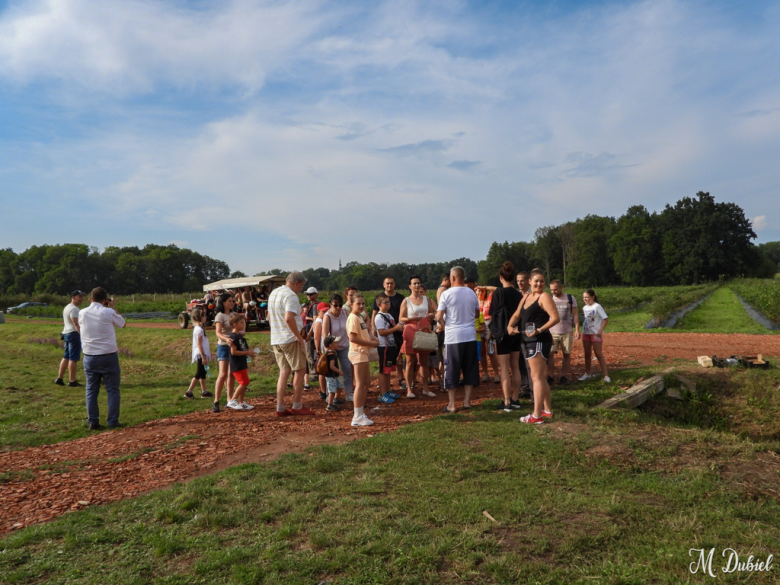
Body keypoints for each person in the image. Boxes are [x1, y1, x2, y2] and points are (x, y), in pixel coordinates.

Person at [507, 269, 560, 424]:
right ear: (530, 281)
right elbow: (517, 314)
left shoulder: (544, 297)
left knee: (536, 377)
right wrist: (510, 326)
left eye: (542, 281)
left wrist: (539, 329)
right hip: (527, 340)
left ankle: (536, 415)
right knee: (539, 377)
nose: (539, 284)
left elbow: (555, 318)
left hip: (539, 340)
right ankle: (547, 410)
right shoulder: (527, 297)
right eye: (536, 281)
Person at [268, 271, 315, 416]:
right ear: (296, 283)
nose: (301, 289)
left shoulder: (274, 293)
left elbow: (269, 316)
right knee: (300, 370)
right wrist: (298, 337)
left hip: (277, 338)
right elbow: (289, 318)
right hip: (289, 339)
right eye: (301, 286)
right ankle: (297, 404)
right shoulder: (291, 296)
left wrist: (276, 330)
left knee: (284, 372)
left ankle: (280, 407)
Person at [79, 287, 126, 430]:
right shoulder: (108, 312)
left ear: (90, 299)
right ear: (105, 300)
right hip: (108, 356)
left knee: (91, 390)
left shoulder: (82, 313)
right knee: (112, 389)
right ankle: (113, 421)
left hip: (89, 356)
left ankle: (93, 421)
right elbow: (122, 324)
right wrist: (112, 306)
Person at [436, 266, 481, 413]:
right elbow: (476, 314)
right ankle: (467, 401)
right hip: (470, 336)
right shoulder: (472, 293)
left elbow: (438, 316)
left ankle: (452, 404)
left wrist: (444, 325)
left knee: (452, 369)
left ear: (453, 278)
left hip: (453, 337)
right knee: (470, 368)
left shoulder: (446, 294)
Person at [488, 262, 524, 412]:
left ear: (500, 277)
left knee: (504, 369)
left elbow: (492, 313)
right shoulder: (518, 294)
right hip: (515, 333)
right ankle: (515, 398)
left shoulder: (498, 293)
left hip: (502, 334)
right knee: (515, 366)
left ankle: (507, 400)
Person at [399, 276, 437, 398]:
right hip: (411, 331)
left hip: (425, 330)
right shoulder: (406, 301)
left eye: (418, 283)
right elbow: (401, 318)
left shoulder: (427, 299)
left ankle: (425, 388)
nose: (417, 285)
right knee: (410, 362)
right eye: (414, 283)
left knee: (424, 362)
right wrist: (411, 318)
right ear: (409, 286)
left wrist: (431, 315)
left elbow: (433, 313)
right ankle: (409, 389)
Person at [347, 294, 379, 426]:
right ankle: (357, 416)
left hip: (363, 352)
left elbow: (363, 334)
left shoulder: (359, 317)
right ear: (351, 305)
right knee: (361, 384)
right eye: (358, 303)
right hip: (358, 352)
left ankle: (360, 412)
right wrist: (370, 344)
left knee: (366, 382)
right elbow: (352, 338)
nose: (361, 306)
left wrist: (371, 339)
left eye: (363, 304)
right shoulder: (353, 318)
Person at [371, 277, 406, 388]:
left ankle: (398, 380)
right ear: (384, 285)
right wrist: (373, 328)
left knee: (393, 362)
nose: (389, 285)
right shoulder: (379, 305)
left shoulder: (400, 298)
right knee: (384, 366)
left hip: (394, 336)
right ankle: (383, 389)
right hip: (385, 339)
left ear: (394, 284)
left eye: (391, 283)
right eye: (387, 283)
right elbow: (375, 316)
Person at [547, 279, 580, 385]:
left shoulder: (570, 298)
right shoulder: (549, 299)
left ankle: (563, 375)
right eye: (551, 290)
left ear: (561, 288)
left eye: (555, 289)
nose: (553, 292)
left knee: (566, 353)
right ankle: (550, 375)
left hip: (566, 331)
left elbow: (575, 314)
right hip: (552, 331)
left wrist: (577, 329)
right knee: (550, 354)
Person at [322, 294, 353, 402]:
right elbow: (325, 335)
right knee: (331, 373)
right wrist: (328, 351)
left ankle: (349, 392)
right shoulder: (327, 317)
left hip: (344, 345)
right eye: (335, 305)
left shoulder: (345, 312)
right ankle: (329, 395)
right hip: (332, 347)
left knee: (347, 369)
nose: (338, 308)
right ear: (330, 305)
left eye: (340, 305)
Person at [375, 292, 404, 404]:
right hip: (384, 347)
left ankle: (387, 390)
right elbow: (381, 332)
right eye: (385, 302)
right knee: (383, 371)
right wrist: (396, 328)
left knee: (389, 370)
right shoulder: (379, 317)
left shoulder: (389, 315)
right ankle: (382, 393)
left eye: (389, 302)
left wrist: (399, 327)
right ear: (379, 304)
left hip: (391, 346)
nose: (388, 304)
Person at [55, 289, 86, 387]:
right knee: (73, 358)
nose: (81, 299)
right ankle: (72, 381)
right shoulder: (75, 309)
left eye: (82, 297)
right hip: (73, 334)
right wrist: (82, 335)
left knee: (66, 356)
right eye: (79, 297)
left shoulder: (67, 307)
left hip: (66, 333)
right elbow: (76, 323)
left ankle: (60, 378)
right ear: (73, 297)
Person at [226, 313, 256, 410]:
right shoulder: (233, 337)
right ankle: (232, 400)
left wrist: (250, 352)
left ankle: (241, 402)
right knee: (244, 382)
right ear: (235, 324)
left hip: (242, 362)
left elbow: (244, 348)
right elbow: (233, 352)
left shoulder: (240, 336)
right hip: (237, 364)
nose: (244, 325)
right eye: (241, 323)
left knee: (244, 382)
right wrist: (247, 352)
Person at [580, 289, 611, 383]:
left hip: (595, 334)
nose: (585, 299)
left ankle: (606, 375)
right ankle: (587, 373)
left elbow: (605, 319)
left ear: (593, 297)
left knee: (598, 353)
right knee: (587, 354)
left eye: (587, 297)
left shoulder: (597, 306)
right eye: (584, 297)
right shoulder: (585, 308)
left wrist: (600, 331)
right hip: (586, 333)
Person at [212, 293, 236, 413]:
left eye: (233, 301)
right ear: (223, 302)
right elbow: (218, 332)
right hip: (223, 346)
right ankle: (216, 401)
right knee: (222, 374)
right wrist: (226, 339)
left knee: (231, 374)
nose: (232, 302)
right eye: (230, 301)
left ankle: (229, 400)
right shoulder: (219, 316)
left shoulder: (233, 315)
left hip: (233, 346)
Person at [185, 308, 214, 400]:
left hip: (202, 353)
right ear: (200, 317)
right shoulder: (199, 330)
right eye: (204, 316)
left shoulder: (199, 328)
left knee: (203, 373)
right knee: (199, 373)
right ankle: (189, 392)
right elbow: (199, 344)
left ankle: (204, 391)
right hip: (201, 354)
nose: (206, 317)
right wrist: (203, 356)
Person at [515, 271, 533, 399]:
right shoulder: (517, 296)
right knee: (521, 361)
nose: (520, 283)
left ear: (528, 281)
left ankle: (533, 390)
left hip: (531, 333)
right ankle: (525, 387)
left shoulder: (533, 295)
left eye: (522, 280)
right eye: (518, 281)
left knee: (531, 363)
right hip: (519, 332)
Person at [310, 301, 329, 399]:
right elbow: (317, 337)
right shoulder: (319, 321)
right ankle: (323, 391)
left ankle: (325, 390)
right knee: (322, 370)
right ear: (318, 311)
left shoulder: (321, 320)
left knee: (324, 369)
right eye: (323, 311)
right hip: (321, 347)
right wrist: (318, 350)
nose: (325, 312)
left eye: (327, 310)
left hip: (323, 347)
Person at [321, 335, 344, 412]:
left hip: (334, 376)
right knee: (332, 391)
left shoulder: (329, 352)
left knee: (340, 387)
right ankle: (330, 405)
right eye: (336, 343)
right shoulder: (332, 355)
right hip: (331, 376)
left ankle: (336, 399)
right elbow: (331, 366)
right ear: (330, 345)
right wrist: (339, 371)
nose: (338, 344)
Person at [303, 287, 319, 390]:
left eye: (311, 294)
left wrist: (309, 334)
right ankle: (316, 372)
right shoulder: (314, 305)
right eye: (308, 294)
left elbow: (314, 320)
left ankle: (313, 374)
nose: (309, 296)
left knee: (309, 354)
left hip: (312, 333)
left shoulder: (314, 306)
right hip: (314, 333)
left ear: (315, 294)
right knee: (313, 354)